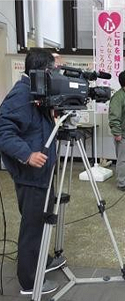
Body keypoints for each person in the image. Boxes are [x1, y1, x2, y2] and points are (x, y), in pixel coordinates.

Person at [0, 48, 66, 295]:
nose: (55, 75)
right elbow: (3, 131)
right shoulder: (21, 94)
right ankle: (29, 281)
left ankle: (42, 261)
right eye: (53, 70)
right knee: (33, 225)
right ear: (42, 71)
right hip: (31, 176)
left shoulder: (35, 91)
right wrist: (27, 154)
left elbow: (34, 125)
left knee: (41, 221)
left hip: (42, 174)